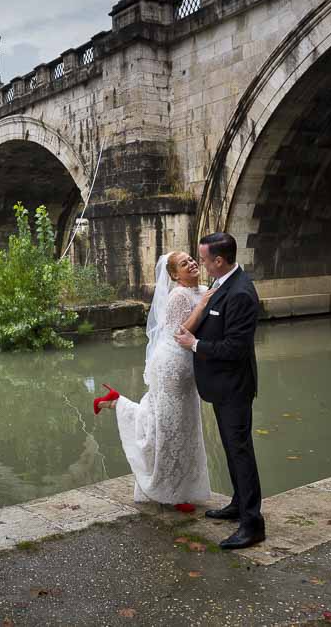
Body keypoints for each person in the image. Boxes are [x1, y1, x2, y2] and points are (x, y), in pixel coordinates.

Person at [93, 251, 214, 511]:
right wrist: (203, 305)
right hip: (172, 365)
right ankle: (170, 492)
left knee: (184, 424)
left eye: (192, 259)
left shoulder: (203, 289)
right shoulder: (178, 296)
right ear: (174, 275)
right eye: (184, 263)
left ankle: (117, 402)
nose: (192, 263)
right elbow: (178, 333)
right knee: (170, 428)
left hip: (189, 366)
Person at [174, 232, 265, 550]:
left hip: (234, 386)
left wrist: (195, 344)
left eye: (204, 258)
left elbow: (235, 349)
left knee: (241, 452)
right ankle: (239, 504)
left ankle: (252, 524)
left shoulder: (240, 292)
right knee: (231, 448)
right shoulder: (220, 283)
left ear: (219, 261)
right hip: (221, 385)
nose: (200, 263)